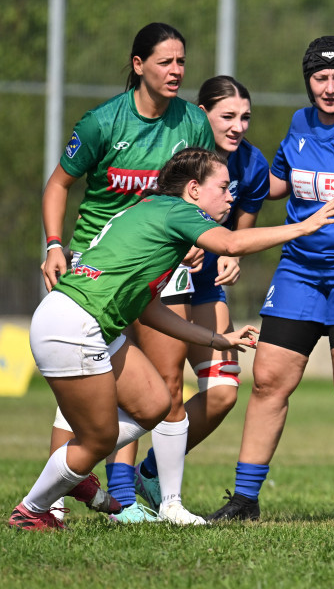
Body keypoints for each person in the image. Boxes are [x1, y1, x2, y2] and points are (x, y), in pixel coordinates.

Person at [10, 147, 334, 531]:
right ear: (193, 190)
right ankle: (33, 509)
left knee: (156, 403)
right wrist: (305, 227)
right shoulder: (179, 213)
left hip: (77, 318)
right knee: (97, 439)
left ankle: (76, 466)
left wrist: (214, 340)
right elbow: (231, 245)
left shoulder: (150, 211)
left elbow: (148, 307)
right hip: (74, 324)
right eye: (223, 187)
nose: (231, 195)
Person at [207, 36, 334, 523]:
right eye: (320, 78)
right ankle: (245, 499)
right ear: (307, 80)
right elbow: (275, 184)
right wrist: (225, 159)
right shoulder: (298, 123)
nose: (330, 88)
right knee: (268, 380)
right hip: (299, 270)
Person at [39, 22, 216, 525]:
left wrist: (198, 241)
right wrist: (54, 245)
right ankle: (53, 497)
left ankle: (170, 503)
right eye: (165, 62)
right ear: (138, 66)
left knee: (167, 384)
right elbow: (58, 185)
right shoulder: (102, 123)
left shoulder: (192, 123)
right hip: (98, 271)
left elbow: (198, 192)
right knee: (78, 393)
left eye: (182, 62)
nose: (176, 71)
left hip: (163, 266)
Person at [111, 76, 271, 517]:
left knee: (222, 390)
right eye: (228, 116)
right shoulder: (177, 153)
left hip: (207, 287)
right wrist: (186, 242)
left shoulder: (252, 164)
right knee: (156, 386)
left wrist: (232, 254)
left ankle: (151, 471)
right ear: (202, 114)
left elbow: (241, 230)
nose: (239, 126)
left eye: (246, 117)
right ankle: (122, 495)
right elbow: (150, 216)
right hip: (162, 282)